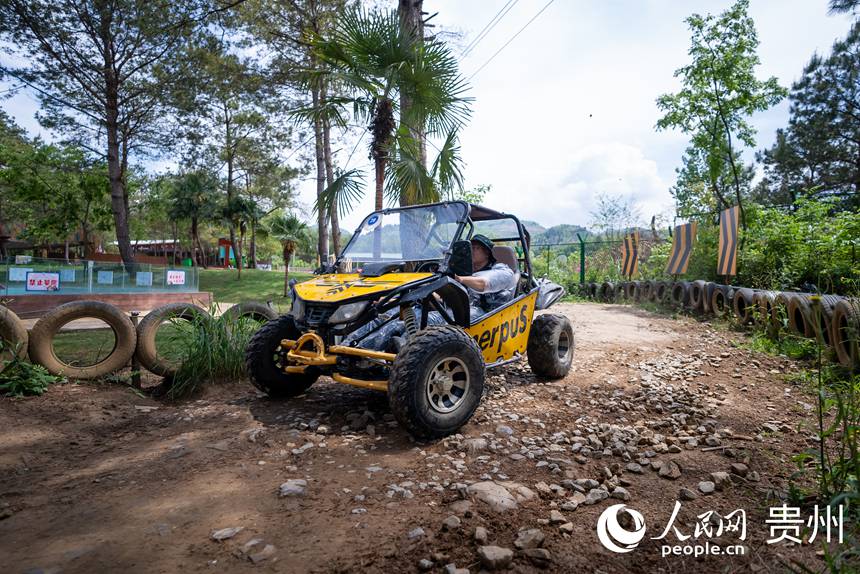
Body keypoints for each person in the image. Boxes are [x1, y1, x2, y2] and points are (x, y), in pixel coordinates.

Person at [456, 234, 517, 321]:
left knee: (455, 319)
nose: (471, 251)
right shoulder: (466, 271)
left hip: (493, 318)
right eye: (469, 247)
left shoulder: (504, 271)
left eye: (476, 248)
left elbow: (484, 283)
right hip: (470, 312)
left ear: (487, 253)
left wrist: (459, 279)